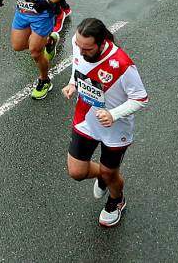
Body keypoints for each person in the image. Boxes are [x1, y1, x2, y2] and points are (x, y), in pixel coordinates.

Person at [61, 17, 147, 229]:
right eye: (79, 46)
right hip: (86, 119)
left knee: (111, 173)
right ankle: (105, 176)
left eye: (88, 49)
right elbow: (77, 64)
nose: (81, 51)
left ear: (102, 43)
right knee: (76, 172)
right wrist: (73, 83)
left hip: (115, 128)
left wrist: (114, 114)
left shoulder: (123, 64)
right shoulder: (80, 43)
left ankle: (116, 201)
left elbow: (141, 98)